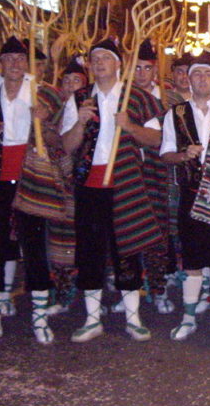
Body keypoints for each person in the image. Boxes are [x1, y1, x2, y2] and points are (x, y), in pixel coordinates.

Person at [60, 38, 163, 342]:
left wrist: (130, 126)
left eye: (106, 57)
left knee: (127, 249)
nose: (100, 62)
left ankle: (133, 317)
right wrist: (79, 123)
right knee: (89, 252)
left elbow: (157, 139)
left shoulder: (136, 97)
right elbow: (66, 146)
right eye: (95, 58)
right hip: (89, 184)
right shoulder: (79, 99)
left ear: (119, 63)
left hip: (125, 182)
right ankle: (92, 319)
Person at [0, 37, 57, 345]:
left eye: (21, 59)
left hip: (31, 178)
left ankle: (40, 318)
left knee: (35, 247)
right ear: (0, 63)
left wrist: (44, 123)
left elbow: (59, 140)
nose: (16, 64)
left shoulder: (42, 94)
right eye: (9, 59)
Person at [158, 50, 210, 340]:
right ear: (188, 79)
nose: (202, 79)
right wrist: (183, 155)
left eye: (207, 73)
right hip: (191, 193)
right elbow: (165, 153)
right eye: (197, 74)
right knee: (191, 258)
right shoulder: (176, 113)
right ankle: (189, 316)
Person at [133, 38, 175, 315]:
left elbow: (165, 139)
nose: (141, 74)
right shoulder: (123, 98)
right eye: (135, 68)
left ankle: (160, 289)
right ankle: (131, 290)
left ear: (155, 71)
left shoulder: (166, 100)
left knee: (159, 233)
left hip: (158, 174)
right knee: (130, 233)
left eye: (146, 68)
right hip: (130, 173)